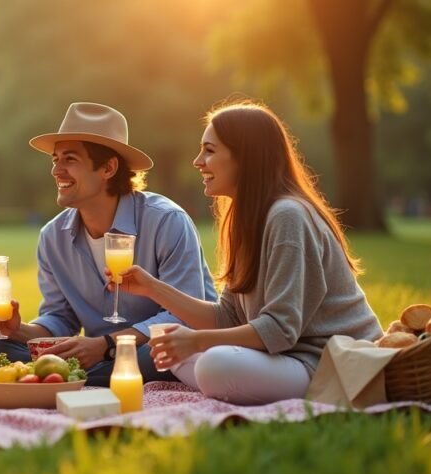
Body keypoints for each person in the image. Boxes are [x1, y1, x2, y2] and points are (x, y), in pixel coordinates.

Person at [119, 100, 383, 405]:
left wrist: (197, 341)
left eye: (209, 150)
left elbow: (280, 329)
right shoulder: (248, 219)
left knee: (214, 364)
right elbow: (227, 316)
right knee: (169, 340)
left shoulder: (287, 216)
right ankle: (230, 382)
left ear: (245, 157)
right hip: (282, 357)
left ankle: (229, 382)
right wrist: (151, 287)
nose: (198, 161)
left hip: (327, 363)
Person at [0, 102, 217, 386]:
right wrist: (20, 330)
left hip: (160, 347)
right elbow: (60, 318)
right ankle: (69, 376)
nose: (56, 170)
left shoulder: (166, 221)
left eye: (69, 159)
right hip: (97, 352)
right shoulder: (53, 237)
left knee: (152, 355)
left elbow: (183, 316)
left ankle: (65, 377)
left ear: (108, 167)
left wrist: (107, 344)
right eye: (55, 159)